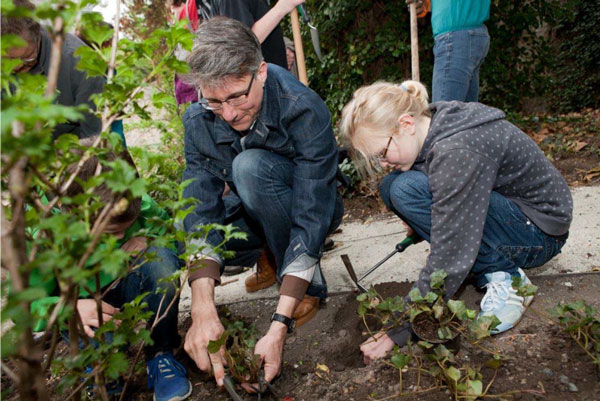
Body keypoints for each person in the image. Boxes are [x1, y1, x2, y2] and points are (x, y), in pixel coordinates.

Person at [339, 81, 572, 364]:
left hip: (538, 233)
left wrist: (400, 331)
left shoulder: (457, 150)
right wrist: (428, 216)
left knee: (405, 189)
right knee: (393, 186)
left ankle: (506, 278)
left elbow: (452, 251)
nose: (383, 163)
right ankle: (489, 261)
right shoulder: (437, 124)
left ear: (406, 123)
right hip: (516, 216)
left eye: (382, 154)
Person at [180, 17, 343, 388]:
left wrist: (279, 324)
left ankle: (304, 282)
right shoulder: (200, 119)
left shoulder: (302, 107)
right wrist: (202, 307)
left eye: (237, 96)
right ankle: (269, 253)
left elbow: (312, 210)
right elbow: (199, 207)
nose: (230, 113)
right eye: (214, 101)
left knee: (250, 167)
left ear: (263, 72)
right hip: (249, 214)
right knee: (184, 233)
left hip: (313, 207)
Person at [29, 149, 192, 401]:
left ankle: (161, 354)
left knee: (160, 258)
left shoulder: (131, 200)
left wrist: (147, 236)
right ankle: (104, 381)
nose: (118, 238)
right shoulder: (43, 235)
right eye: (109, 232)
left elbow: (171, 236)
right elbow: (28, 304)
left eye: (125, 230)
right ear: (72, 212)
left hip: (126, 283)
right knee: (106, 383)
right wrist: (67, 308)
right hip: (86, 310)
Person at [2, 0, 104, 139]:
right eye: (5, 60)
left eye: (27, 60)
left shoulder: (81, 64)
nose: (15, 67)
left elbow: (95, 139)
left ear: (37, 35)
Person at [168, 0, 303, 105]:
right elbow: (239, 43)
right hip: (255, 89)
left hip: (251, 86)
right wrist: (282, 7)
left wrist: (283, 44)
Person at [407, 0, 490, 102]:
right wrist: (425, 4)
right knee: (464, 114)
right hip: (463, 34)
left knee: (445, 111)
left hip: (457, 36)